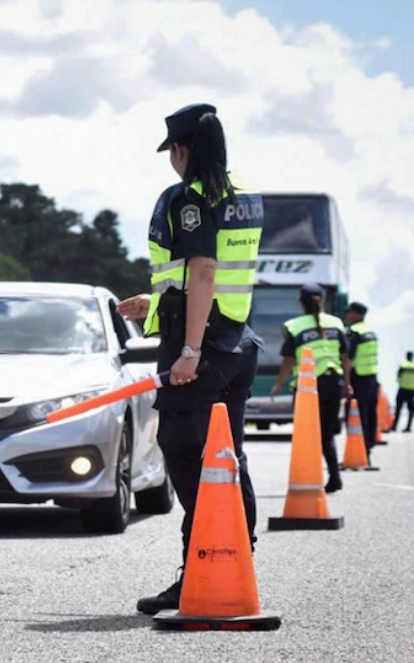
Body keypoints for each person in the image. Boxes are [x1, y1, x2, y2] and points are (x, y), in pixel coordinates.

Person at [117, 103, 264, 616]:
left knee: (184, 448)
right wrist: (153, 302)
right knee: (225, 454)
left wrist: (188, 351)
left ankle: (208, 560)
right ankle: (234, 551)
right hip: (237, 342)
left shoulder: (192, 199)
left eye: (173, 152)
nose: (172, 163)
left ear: (183, 150)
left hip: (201, 347)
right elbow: (213, 277)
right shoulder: (244, 193)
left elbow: (203, 272)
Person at [270, 284, 352, 493]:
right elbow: (345, 358)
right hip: (334, 383)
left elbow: (288, 360)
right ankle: (333, 476)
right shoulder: (336, 323)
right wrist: (348, 384)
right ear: (322, 300)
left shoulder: (295, 326)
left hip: (308, 389)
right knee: (326, 434)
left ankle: (311, 477)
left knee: (306, 433)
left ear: (301, 303)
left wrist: (279, 384)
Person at [343, 302, 379, 462]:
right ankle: (368, 448)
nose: (347, 316)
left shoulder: (354, 333)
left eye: (349, 313)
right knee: (371, 414)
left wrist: (346, 382)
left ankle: (359, 450)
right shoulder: (371, 331)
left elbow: (348, 358)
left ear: (357, 314)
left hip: (358, 378)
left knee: (355, 416)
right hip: (371, 377)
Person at [390, 351, 414, 433]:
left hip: (402, 388)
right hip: (412, 390)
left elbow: (398, 376)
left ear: (406, 356)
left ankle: (394, 426)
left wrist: (400, 382)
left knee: (398, 409)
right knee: (411, 410)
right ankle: (408, 427)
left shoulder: (403, 365)